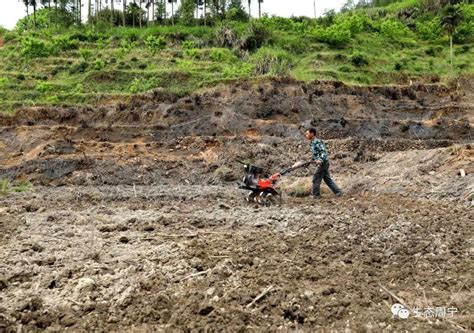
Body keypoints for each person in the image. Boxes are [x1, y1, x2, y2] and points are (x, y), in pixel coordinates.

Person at [297, 127, 343, 199]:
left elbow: (323, 152)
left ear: (312, 134)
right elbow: (315, 154)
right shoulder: (312, 143)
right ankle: (339, 192)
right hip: (322, 163)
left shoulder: (317, 142)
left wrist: (320, 160)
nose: (306, 135)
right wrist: (309, 162)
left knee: (316, 179)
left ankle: (316, 196)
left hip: (323, 163)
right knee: (328, 180)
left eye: (307, 133)